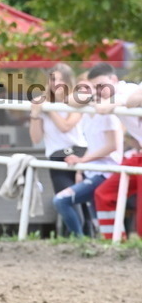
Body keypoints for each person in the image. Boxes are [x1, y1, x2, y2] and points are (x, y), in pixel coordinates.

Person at [52, 79, 123, 237]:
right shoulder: (86, 115)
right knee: (96, 216)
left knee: (61, 201)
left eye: (90, 89)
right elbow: (68, 100)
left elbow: (112, 146)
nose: (84, 93)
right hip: (93, 172)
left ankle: (79, 239)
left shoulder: (106, 114)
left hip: (105, 173)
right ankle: (86, 241)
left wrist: (82, 161)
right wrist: (82, 168)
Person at [86, 67, 142, 239]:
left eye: (101, 85)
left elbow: (133, 99)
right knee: (103, 194)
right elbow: (71, 100)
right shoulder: (110, 95)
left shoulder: (127, 90)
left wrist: (116, 102)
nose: (99, 91)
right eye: (95, 87)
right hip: (139, 155)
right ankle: (115, 243)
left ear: (114, 80)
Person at [29, 63, 87, 196]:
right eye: (53, 79)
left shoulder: (76, 101)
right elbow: (36, 138)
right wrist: (35, 114)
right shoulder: (43, 104)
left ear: (68, 81)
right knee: (63, 200)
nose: (56, 83)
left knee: (83, 205)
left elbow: (65, 127)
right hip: (56, 156)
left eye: (61, 80)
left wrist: (50, 109)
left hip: (79, 154)